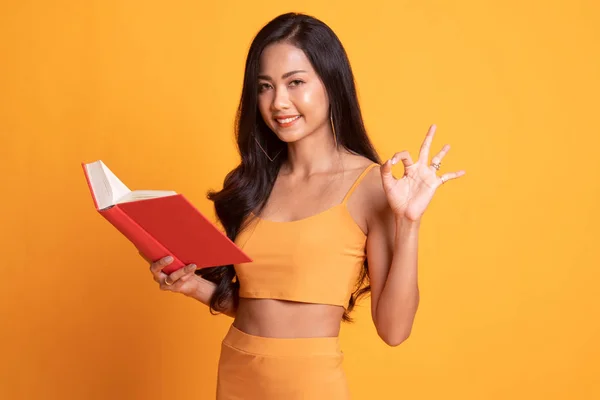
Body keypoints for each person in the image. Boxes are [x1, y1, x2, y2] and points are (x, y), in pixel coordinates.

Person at [145, 12, 465, 400]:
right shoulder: (253, 183)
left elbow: (394, 331)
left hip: (310, 386)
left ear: (332, 83)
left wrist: (409, 223)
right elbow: (261, 306)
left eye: (295, 82)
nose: (279, 102)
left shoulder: (370, 187)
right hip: (236, 375)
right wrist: (193, 286)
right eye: (265, 86)